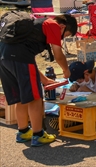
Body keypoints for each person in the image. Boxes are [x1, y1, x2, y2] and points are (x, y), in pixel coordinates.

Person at [0, 14, 77, 147]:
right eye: (65, 35)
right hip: (20, 57)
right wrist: (66, 70)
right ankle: (38, 134)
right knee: (35, 98)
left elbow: (29, 63)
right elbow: (58, 54)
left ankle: (23, 132)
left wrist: (44, 79)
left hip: (4, 56)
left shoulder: (34, 26)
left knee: (20, 97)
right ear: (63, 26)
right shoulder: (53, 25)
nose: (62, 38)